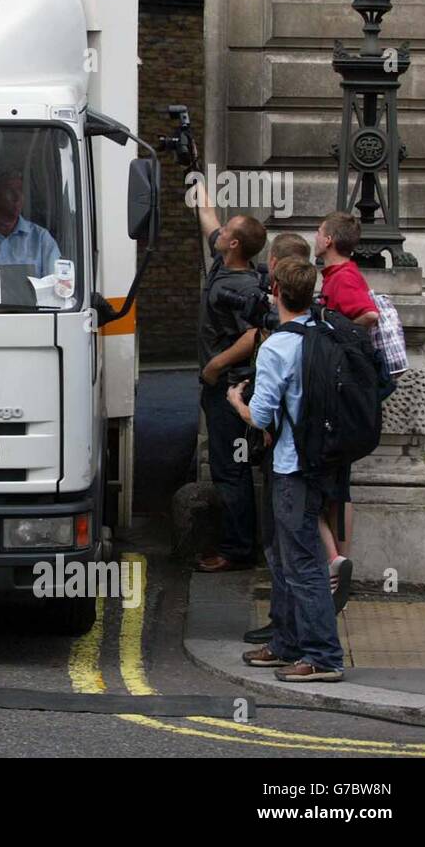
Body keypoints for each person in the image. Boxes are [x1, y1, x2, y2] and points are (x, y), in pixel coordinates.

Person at [232, 257, 344, 683]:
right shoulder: (322, 333)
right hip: (317, 460)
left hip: (291, 467)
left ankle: (323, 655)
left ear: (274, 290)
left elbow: (260, 417)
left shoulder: (278, 345)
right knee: (285, 557)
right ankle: (287, 643)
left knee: (301, 562)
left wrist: (235, 402)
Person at [193, 181, 268, 574]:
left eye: (227, 232)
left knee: (231, 469)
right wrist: (197, 181)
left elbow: (254, 333)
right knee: (229, 467)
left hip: (230, 388)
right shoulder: (226, 264)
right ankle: (238, 545)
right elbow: (210, 218)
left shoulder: (242, 286)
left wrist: (215, 366)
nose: (219, 232)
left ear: (235, 244)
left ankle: (238, 550)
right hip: (218, 385)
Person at [312, 210, 374, 595]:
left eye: (319, 233)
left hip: (340, 398)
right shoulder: (333, 276)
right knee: (338, 490)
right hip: (340, 397)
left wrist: (335, 341)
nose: (316, 237)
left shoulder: (345, 276)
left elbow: (367, 315)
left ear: (330, 240)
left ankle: (337, 568)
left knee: (330, 490)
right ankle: (340, 568)